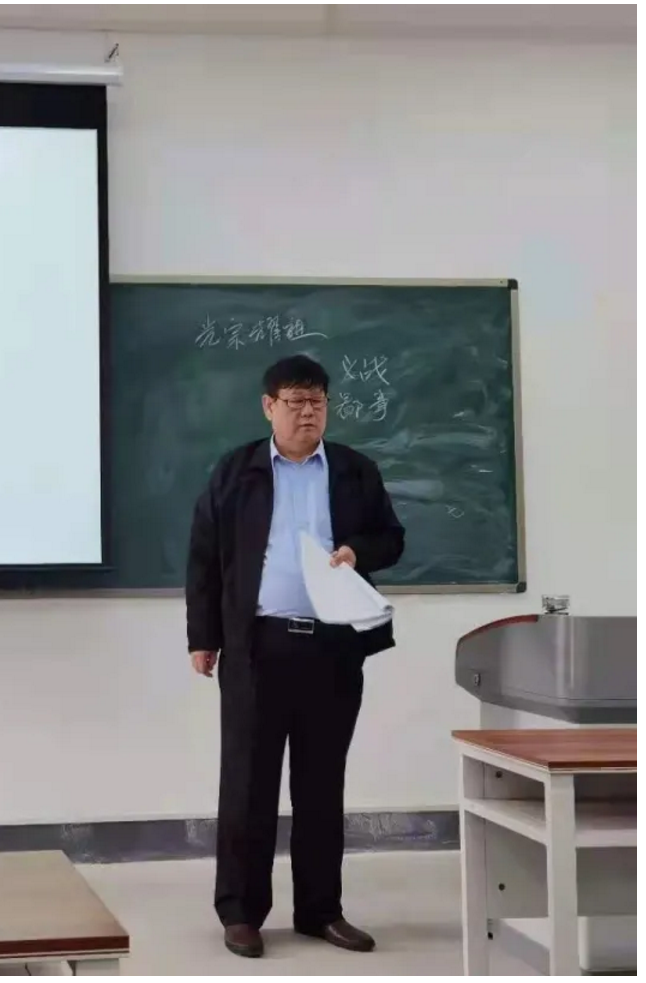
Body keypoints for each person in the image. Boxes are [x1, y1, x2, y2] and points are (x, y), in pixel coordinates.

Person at [185, 354, 404, 959]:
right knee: (248, 785)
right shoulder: (237, 471)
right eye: (295, 402)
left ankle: (319, 910)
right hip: (258, 646)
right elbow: (204, 557)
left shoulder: (355, 471)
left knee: (321, 784)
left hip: (333, 649)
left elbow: (392, 539)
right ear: (269, 406)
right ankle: (241, 912)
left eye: (317, 402)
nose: (308, 413)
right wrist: (203, 637)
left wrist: (357, 551)